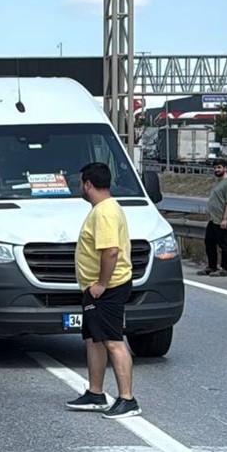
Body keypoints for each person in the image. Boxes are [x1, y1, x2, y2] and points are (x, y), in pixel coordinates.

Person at [66, 162, 141, 419]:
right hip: (96, 288)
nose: (79, 187)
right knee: (94, 339)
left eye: (80, 183)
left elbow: (110, 251)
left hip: (108, 288)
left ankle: (127, 399)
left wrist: (101, 283)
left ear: (88, 184)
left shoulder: (105, 212)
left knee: (112, 340)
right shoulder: (104, 209)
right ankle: (95, 393)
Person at [198, 159, 227, 277]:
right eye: (215, 168)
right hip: (214, 219)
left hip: (224, 220)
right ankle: (212, 266)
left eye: (219, 167)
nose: (217, 170)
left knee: (224, 244)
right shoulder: (218, 181)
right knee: (209, 241)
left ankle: (225, 268)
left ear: (225, 168)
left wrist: (225, 219)